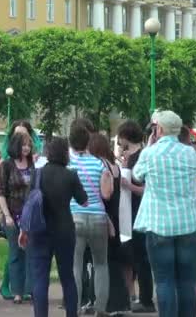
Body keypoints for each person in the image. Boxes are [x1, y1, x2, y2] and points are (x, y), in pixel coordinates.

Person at [133, 111, 196, 317]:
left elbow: (136, 176)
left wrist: (149, 146)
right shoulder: (190, 153)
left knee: (164, 281)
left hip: (159, 227)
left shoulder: (149, 154)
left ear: (159, 129)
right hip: (189, 226)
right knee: (188, 282)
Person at [20, 137, 87, 317]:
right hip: (65, 231)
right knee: (67, 278)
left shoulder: (37, 173)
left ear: (48, 153)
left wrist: (23, 229)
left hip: (39, 231)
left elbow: (29, 203)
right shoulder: (71, 175)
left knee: (40, 279)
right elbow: (84, 200)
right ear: (65, 153)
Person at [68, 121, 113, 317]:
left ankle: (75, 307)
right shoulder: (99, 164)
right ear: (88, 142)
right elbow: (106, 195)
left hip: (74, 216)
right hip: (97, 218)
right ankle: (101, 309)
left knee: (75, 265)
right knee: (101, 264)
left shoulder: (68, 164)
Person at [0, 119, 43, 301]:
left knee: (31, 252)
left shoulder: (35, 164)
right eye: (23, 145)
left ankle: (30, 289)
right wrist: (7, 215)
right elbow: (0, 192)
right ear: (16, 145)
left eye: (28, 145)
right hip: (12, 215)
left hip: (31, 217)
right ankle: (16, 292)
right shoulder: (6, 165)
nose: (26, 148)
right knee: (15, 253)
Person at [89, 133, 130, 316]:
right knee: (114, 262)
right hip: (116, 217)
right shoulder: (115, 166)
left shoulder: (101, 167)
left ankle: (107, 304)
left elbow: (101, 195)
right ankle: (121, 302)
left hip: (104, 217)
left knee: (102, 262)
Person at [117, 120, 155, 313]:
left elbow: (145, 189)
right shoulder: (129, 156)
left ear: (126, 137)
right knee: (132, 255)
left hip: (139, 211)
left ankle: (146, 298)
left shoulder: (142, 156)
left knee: (141, 257)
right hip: (128, 211)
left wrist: (128, 185)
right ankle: (138, 295)